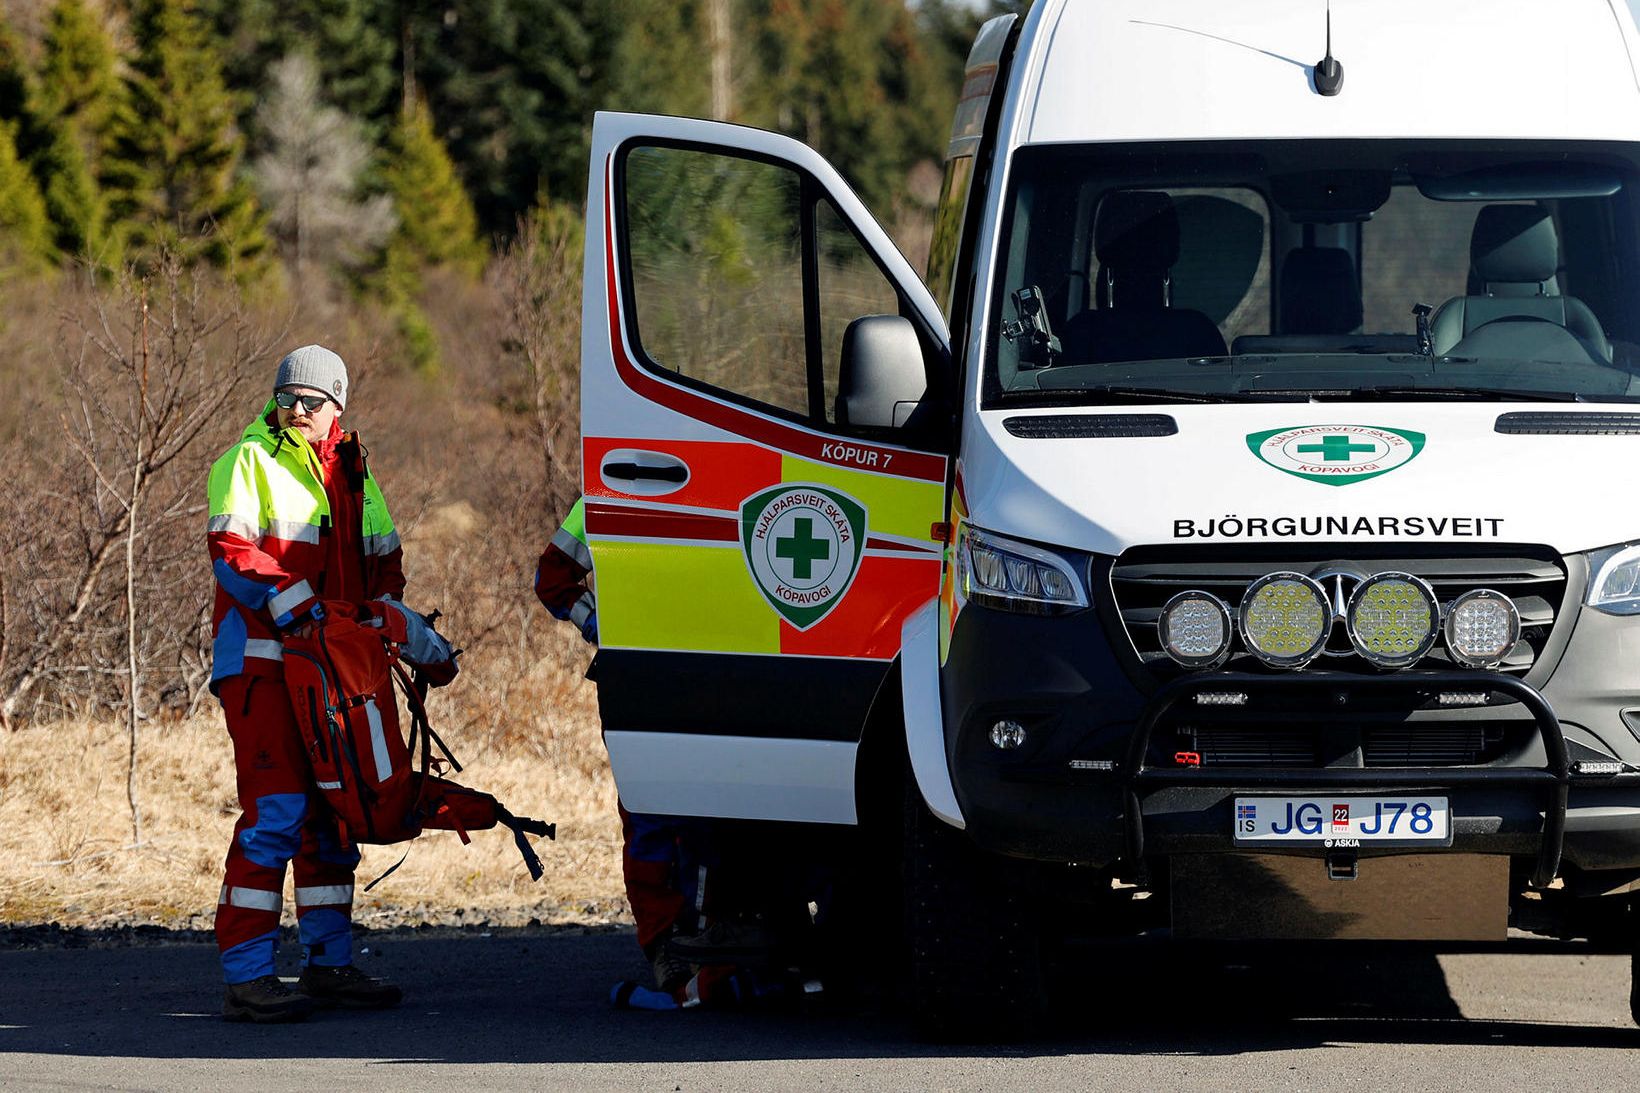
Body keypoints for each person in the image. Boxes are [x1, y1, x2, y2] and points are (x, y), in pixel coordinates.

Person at [207, 345, 406, 1023]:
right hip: (263, 661)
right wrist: (295, 600)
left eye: (309, 401)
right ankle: (247, 977)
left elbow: (385, 565)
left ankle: (329, 964)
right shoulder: (248, 459)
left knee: (332, 814)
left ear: (337, 408)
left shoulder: (357, 473)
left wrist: (388, 626)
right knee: (279, 813)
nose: (295, 410)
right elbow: (233, 551)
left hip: (332, 674)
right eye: (286, 397)